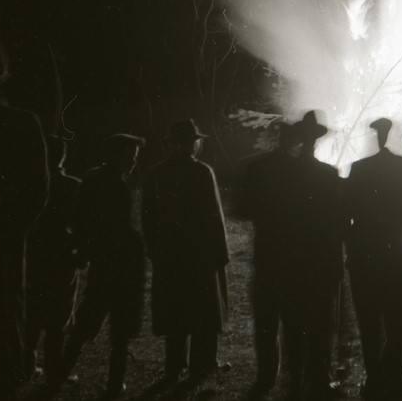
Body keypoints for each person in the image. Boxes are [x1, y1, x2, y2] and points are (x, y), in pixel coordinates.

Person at [0, 44, 48, 401]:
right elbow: (37, 190)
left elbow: (36, 190)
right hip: (3, 243)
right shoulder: (21, 122)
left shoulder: (17, 122)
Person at [54, 134, 146, 399]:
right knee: (119, 330)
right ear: (117, 155)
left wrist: (85, 250)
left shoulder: (92, 179)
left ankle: (60, 373)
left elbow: (80, 219)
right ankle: (115, 386)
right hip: (123, 265)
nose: (133, 162)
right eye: (130, 156)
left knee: (85, 322)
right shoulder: (120, 186)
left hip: (102, 263)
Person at [344, 118, 402, 401]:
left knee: (368, 319)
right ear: (390, 136)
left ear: (373, 137)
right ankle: (397, 373)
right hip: (395, 252)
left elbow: (345, 211)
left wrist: (352, 239)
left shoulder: (359, 169)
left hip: (364, 254)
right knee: (396, 317)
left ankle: (373, 375)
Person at [143, 119, 231, 392]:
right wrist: (221, 255)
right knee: (203, 313)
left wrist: (155, 251)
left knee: (175, 312)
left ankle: (174, 366)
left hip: (170, 254)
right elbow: (214, 217)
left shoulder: (155, 174)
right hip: (200, 256)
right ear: (193, 143)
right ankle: (201, 367)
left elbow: (148, 218)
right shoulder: (202, 172)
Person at [237, 122, 300, 395]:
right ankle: (294, 376)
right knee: (295, 320)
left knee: (266, 320)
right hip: (296, 256)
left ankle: (266, 375)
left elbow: (241, 208)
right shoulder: (303, 171)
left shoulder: (256, 167)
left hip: (266, 253)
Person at [288, 111, 344, 399]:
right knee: (321, 324)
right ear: (316, 142)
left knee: (295, 323)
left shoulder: (284, 175)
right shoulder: (327, 175)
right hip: (320, 261)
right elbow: (338, 220)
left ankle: (295, 379)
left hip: (292, 261)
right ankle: (319, 379)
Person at [23, 134, 81, 384]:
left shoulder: (30, 184)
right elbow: (81, 223)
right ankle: (53, 369)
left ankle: (26, 364)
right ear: (63, 156)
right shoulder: (73, 185)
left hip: (35, 254)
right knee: (60, 313)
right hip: (63, 255)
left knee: (33, 312)